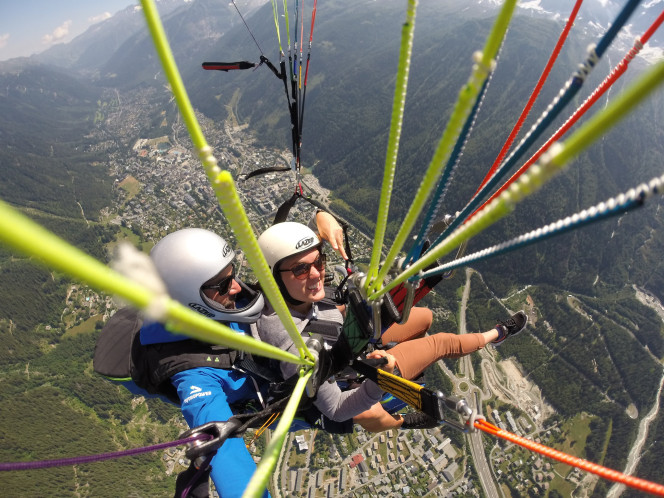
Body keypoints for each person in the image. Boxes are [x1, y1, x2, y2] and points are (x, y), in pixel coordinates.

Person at [255, 222, 528, 431]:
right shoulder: (297, 351)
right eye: (302, 269)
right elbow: (337, 410)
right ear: (274, 277)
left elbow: (321, 313)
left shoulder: (283, 298)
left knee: (425, 317)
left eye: (319, 261)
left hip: (353, 338)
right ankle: (498, 333)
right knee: (442, 342)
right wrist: (380, 379)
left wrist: (320, 219)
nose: (316, 273)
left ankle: (412, 367)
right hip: (361, 369)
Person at [140, 228, 268, 498]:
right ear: (190, 299)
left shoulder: (218, 305)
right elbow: (230, 464)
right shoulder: (194, 376)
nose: (235, 287)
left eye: (233, 274)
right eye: (223, 285)